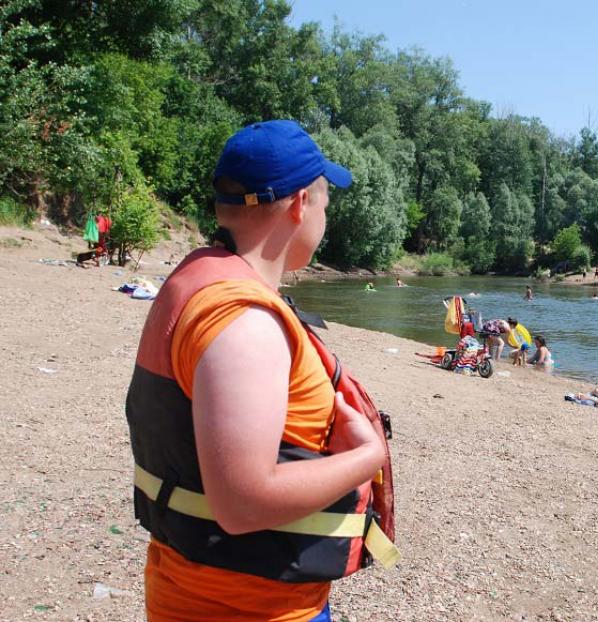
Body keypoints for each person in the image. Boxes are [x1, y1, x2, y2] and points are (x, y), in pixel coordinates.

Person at [124, 120, 397, 622]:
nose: (325, 218)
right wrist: (368, 454)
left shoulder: (199, 278)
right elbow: (242, 504)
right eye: (325, 204)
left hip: (204, 591)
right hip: (243, 608)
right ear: (299, 205)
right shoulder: (245, 325)